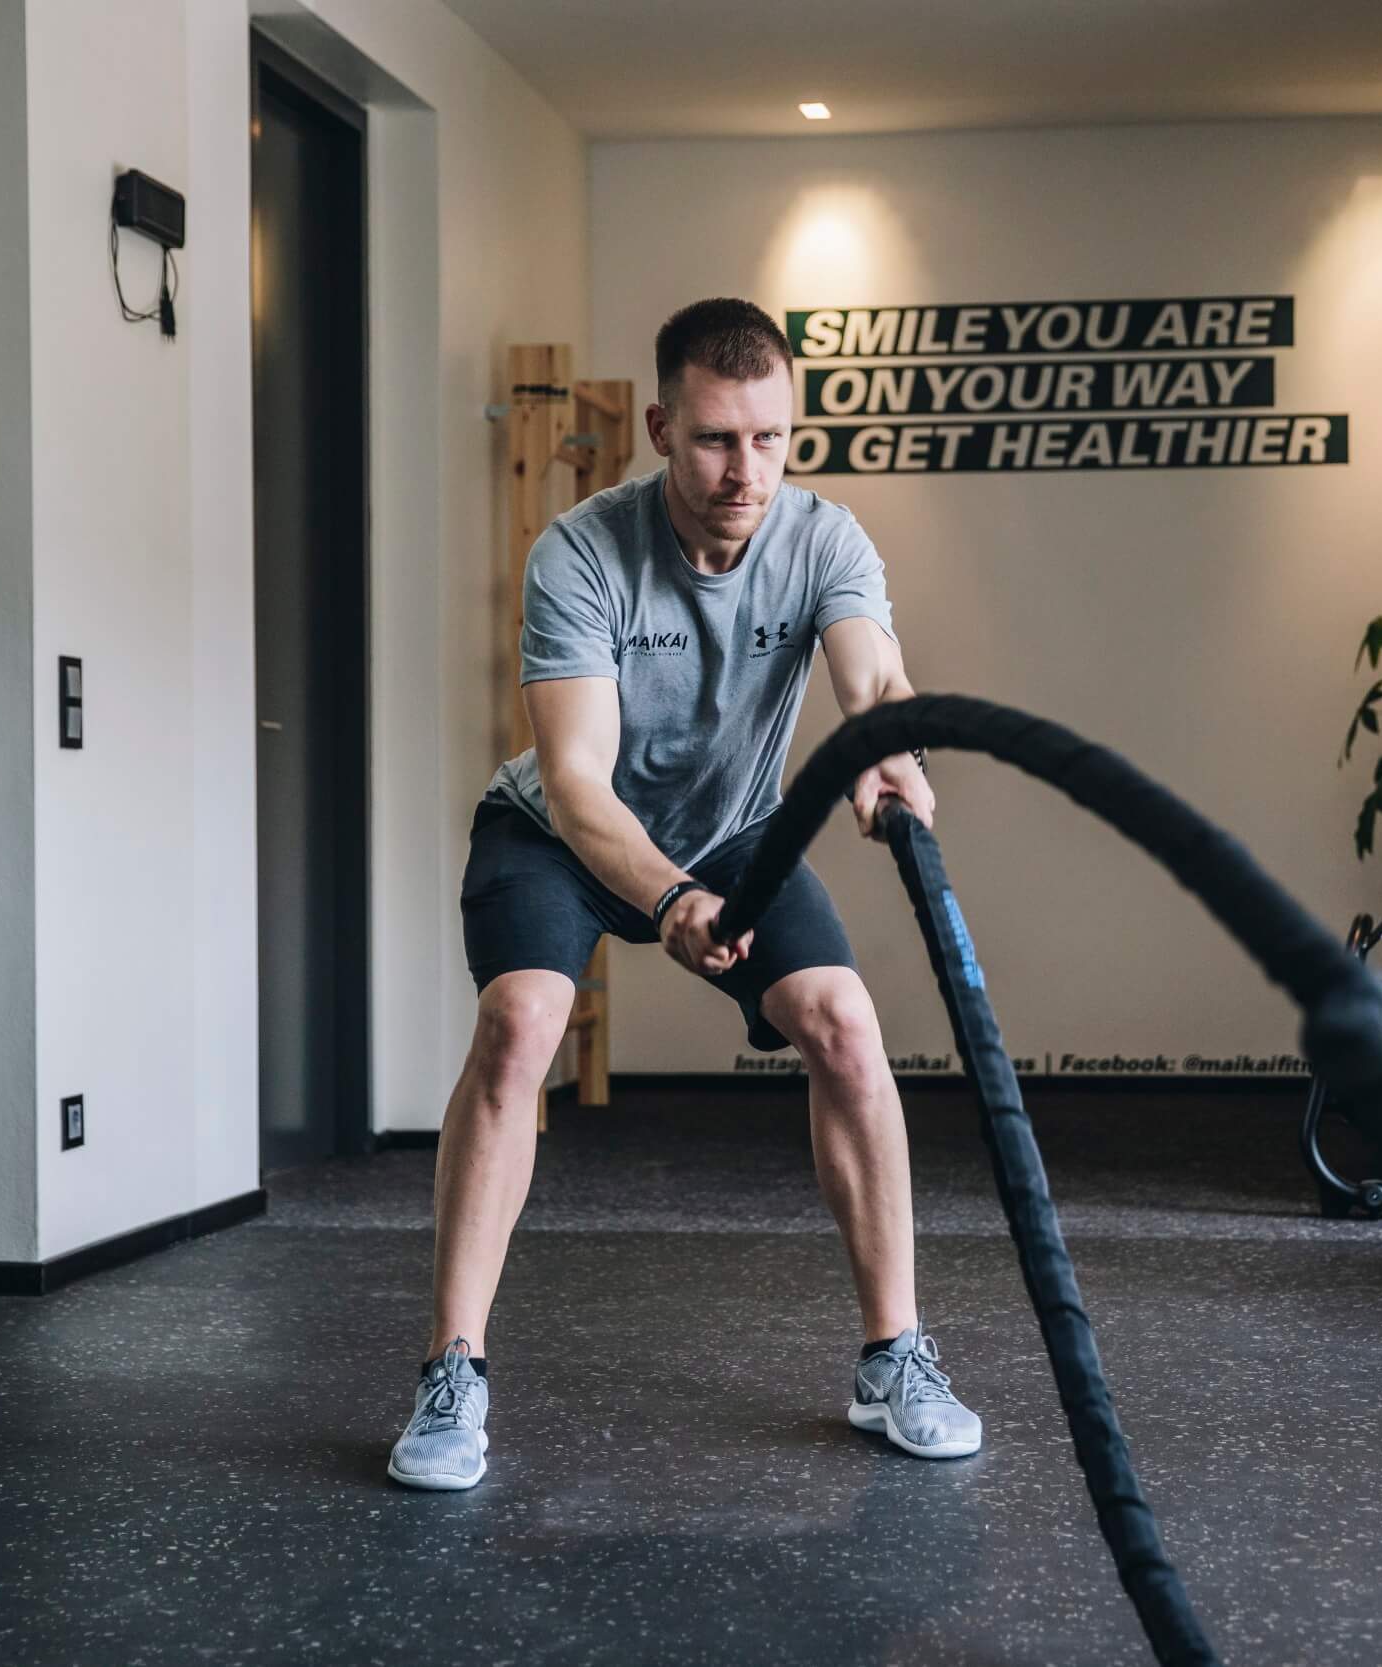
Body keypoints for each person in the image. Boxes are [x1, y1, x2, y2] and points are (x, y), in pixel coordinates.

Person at [387, 299, 983, 1491]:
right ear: (660, 425)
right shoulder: (580, 551)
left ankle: (893, 1356)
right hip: (558, 834)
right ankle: (452, 1370)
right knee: (518, 1027)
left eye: (769, 439)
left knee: (847, 1029)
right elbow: (573, 777)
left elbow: (874, 677)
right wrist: (665, 905)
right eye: (715, 438)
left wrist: (886, 752)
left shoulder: (825, 539)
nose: (742, 471)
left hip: (736, 832)